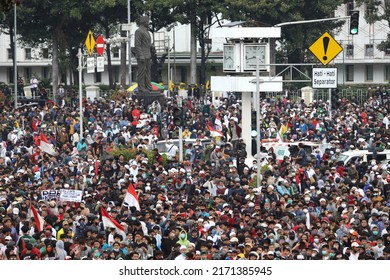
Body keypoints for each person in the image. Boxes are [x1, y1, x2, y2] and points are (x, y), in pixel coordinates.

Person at [134, 16, 152, 94]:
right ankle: (141, 88)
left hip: (148, 54)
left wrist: (152, 46)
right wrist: (140, 55)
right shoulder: (139, 31)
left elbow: (146, 44)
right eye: (147, 21)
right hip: (142, 56)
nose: (148, 23)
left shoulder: (147, 31)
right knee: (142, 72)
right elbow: (137, 44)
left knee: (148, 72)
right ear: (144, 22)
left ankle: (148, 87)